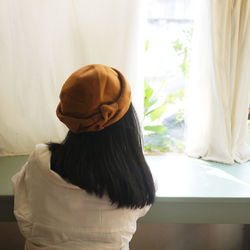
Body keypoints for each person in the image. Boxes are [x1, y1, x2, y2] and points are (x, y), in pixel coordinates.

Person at [12, 64, 155, 250]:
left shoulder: (40, 162)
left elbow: (23, 205)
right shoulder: (137, 178)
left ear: (68, 115)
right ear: (126, 118)